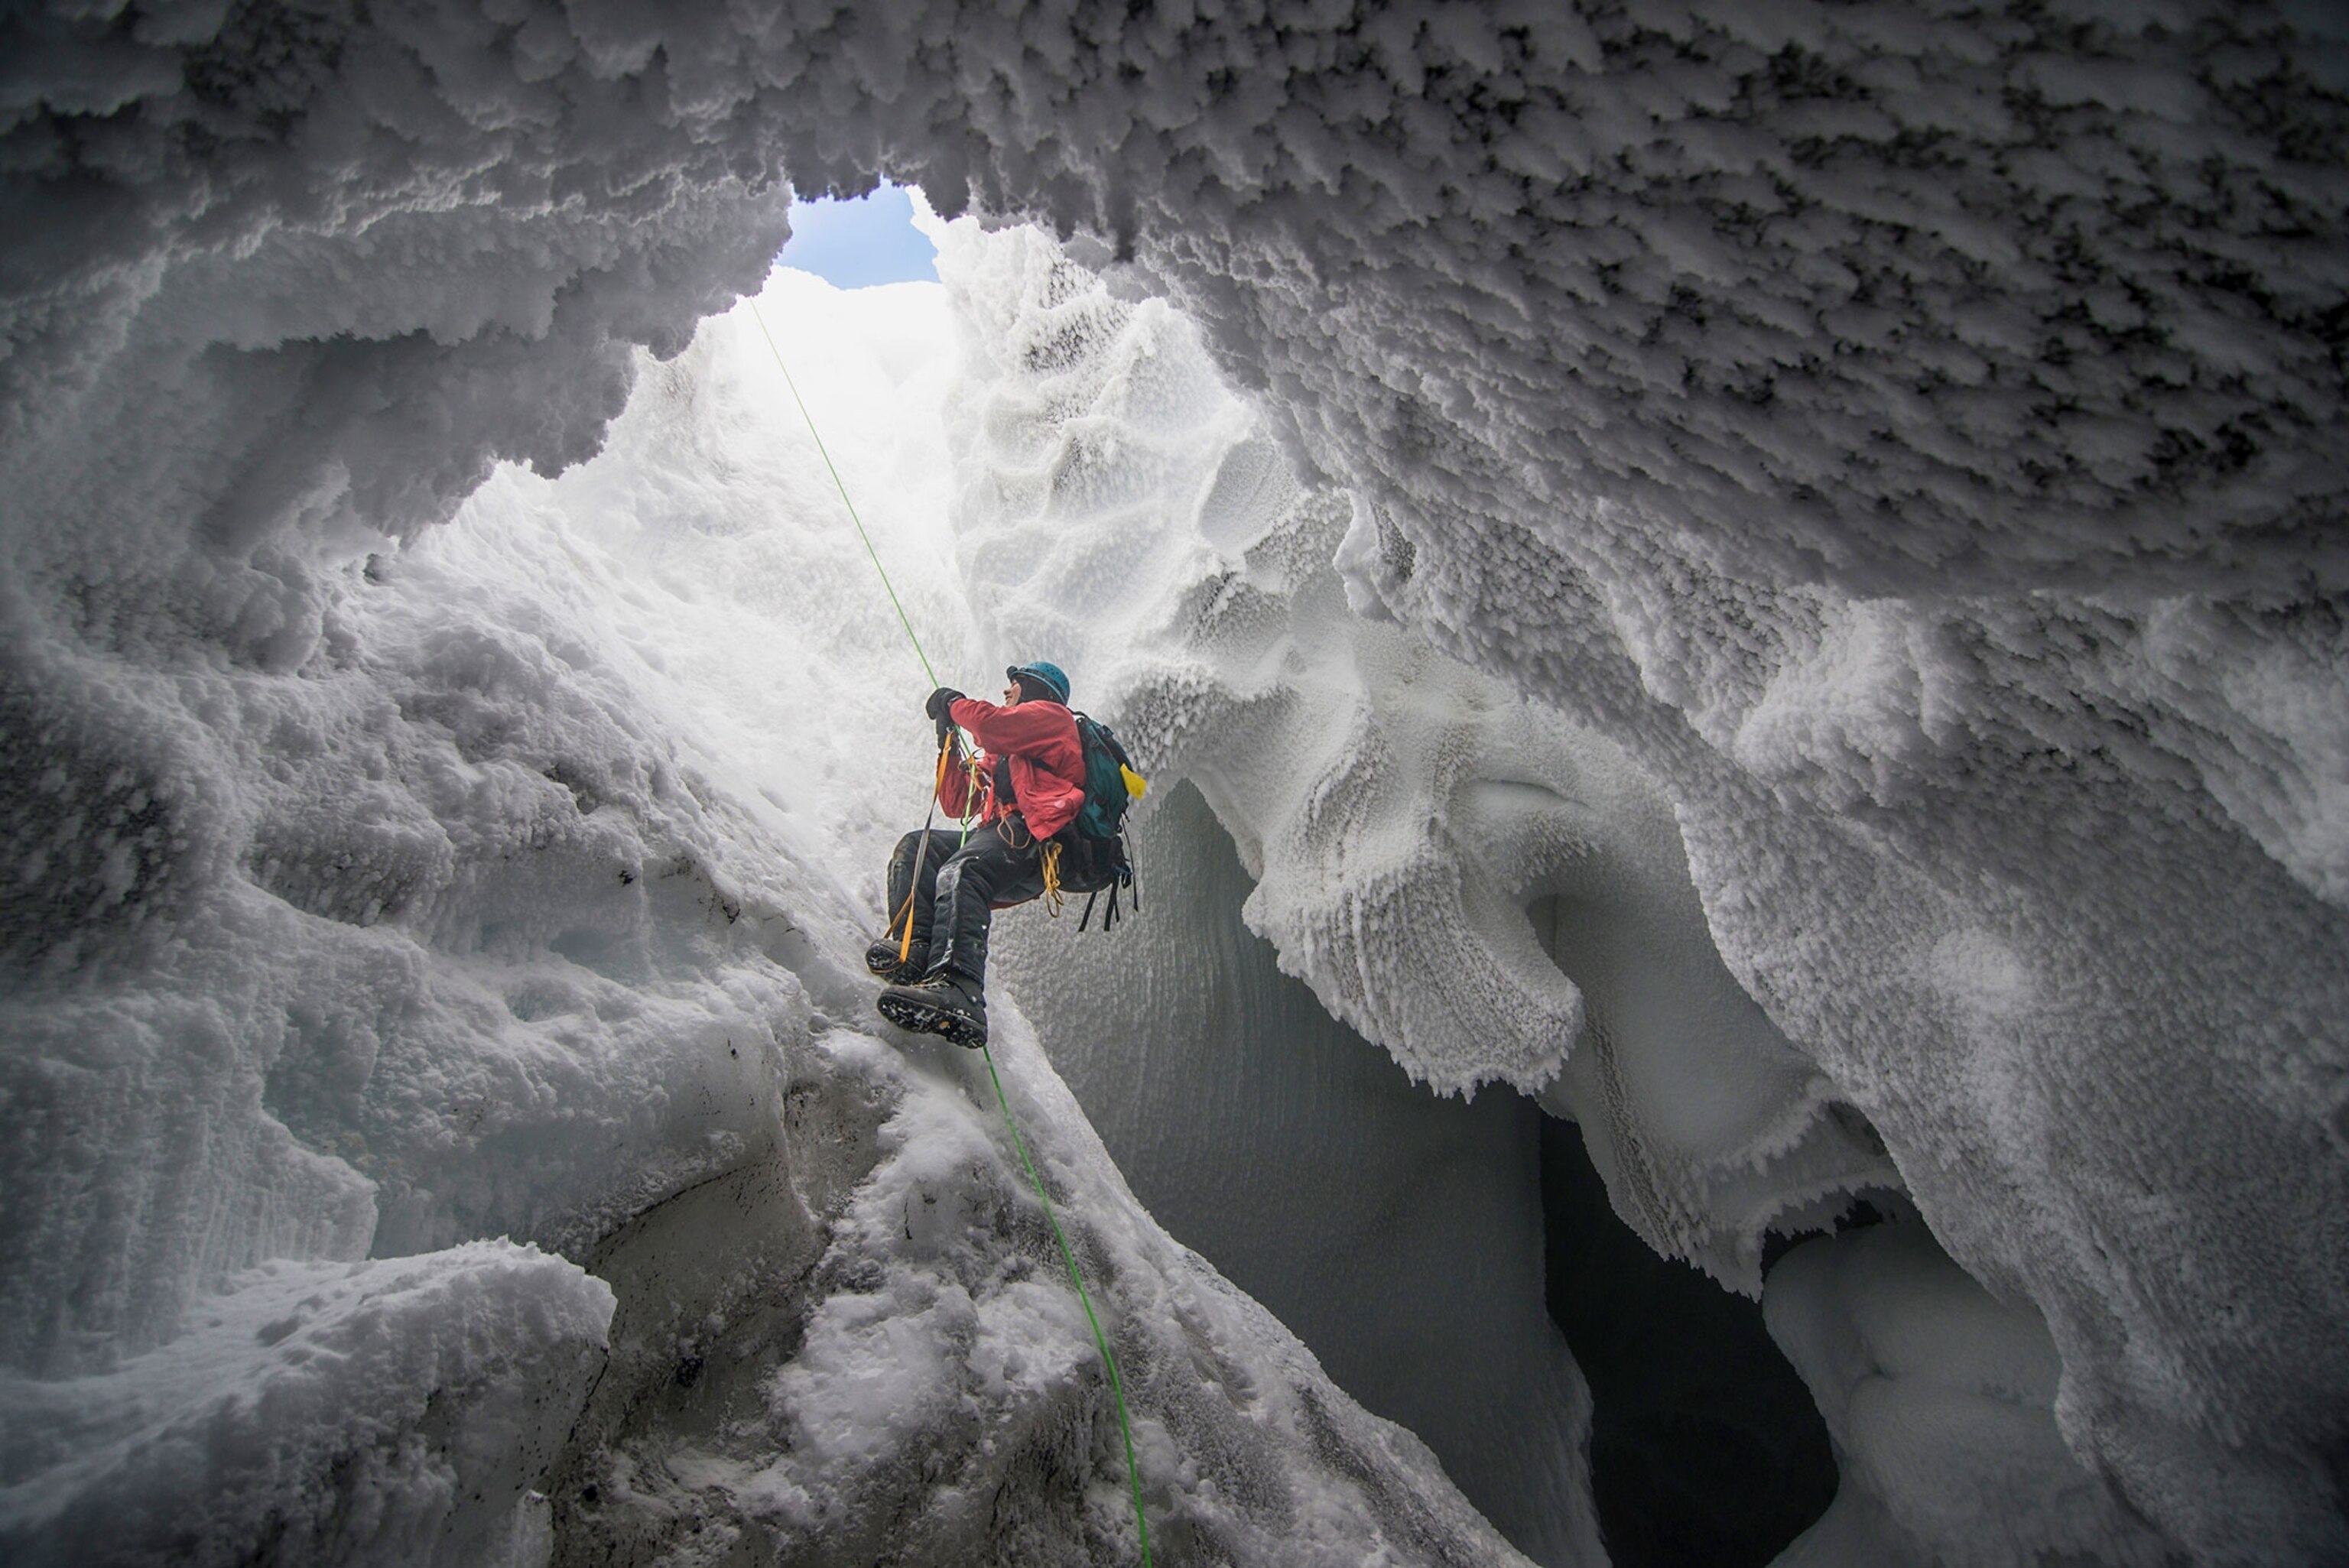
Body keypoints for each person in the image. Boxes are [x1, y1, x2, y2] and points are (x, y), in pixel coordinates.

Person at [868, 660, 1085, 1048]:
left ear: (1037, 689)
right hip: (1004, 836)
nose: (1007, 692)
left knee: (964, 868)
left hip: (1032, 840)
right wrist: (947, 746)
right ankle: (916, 948)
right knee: (919, 848)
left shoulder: (1054, 719)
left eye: (1014, 685)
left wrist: (955, 704)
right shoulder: (1012, 754)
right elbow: (956, 802)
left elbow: (990, 727)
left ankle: (959, 989)